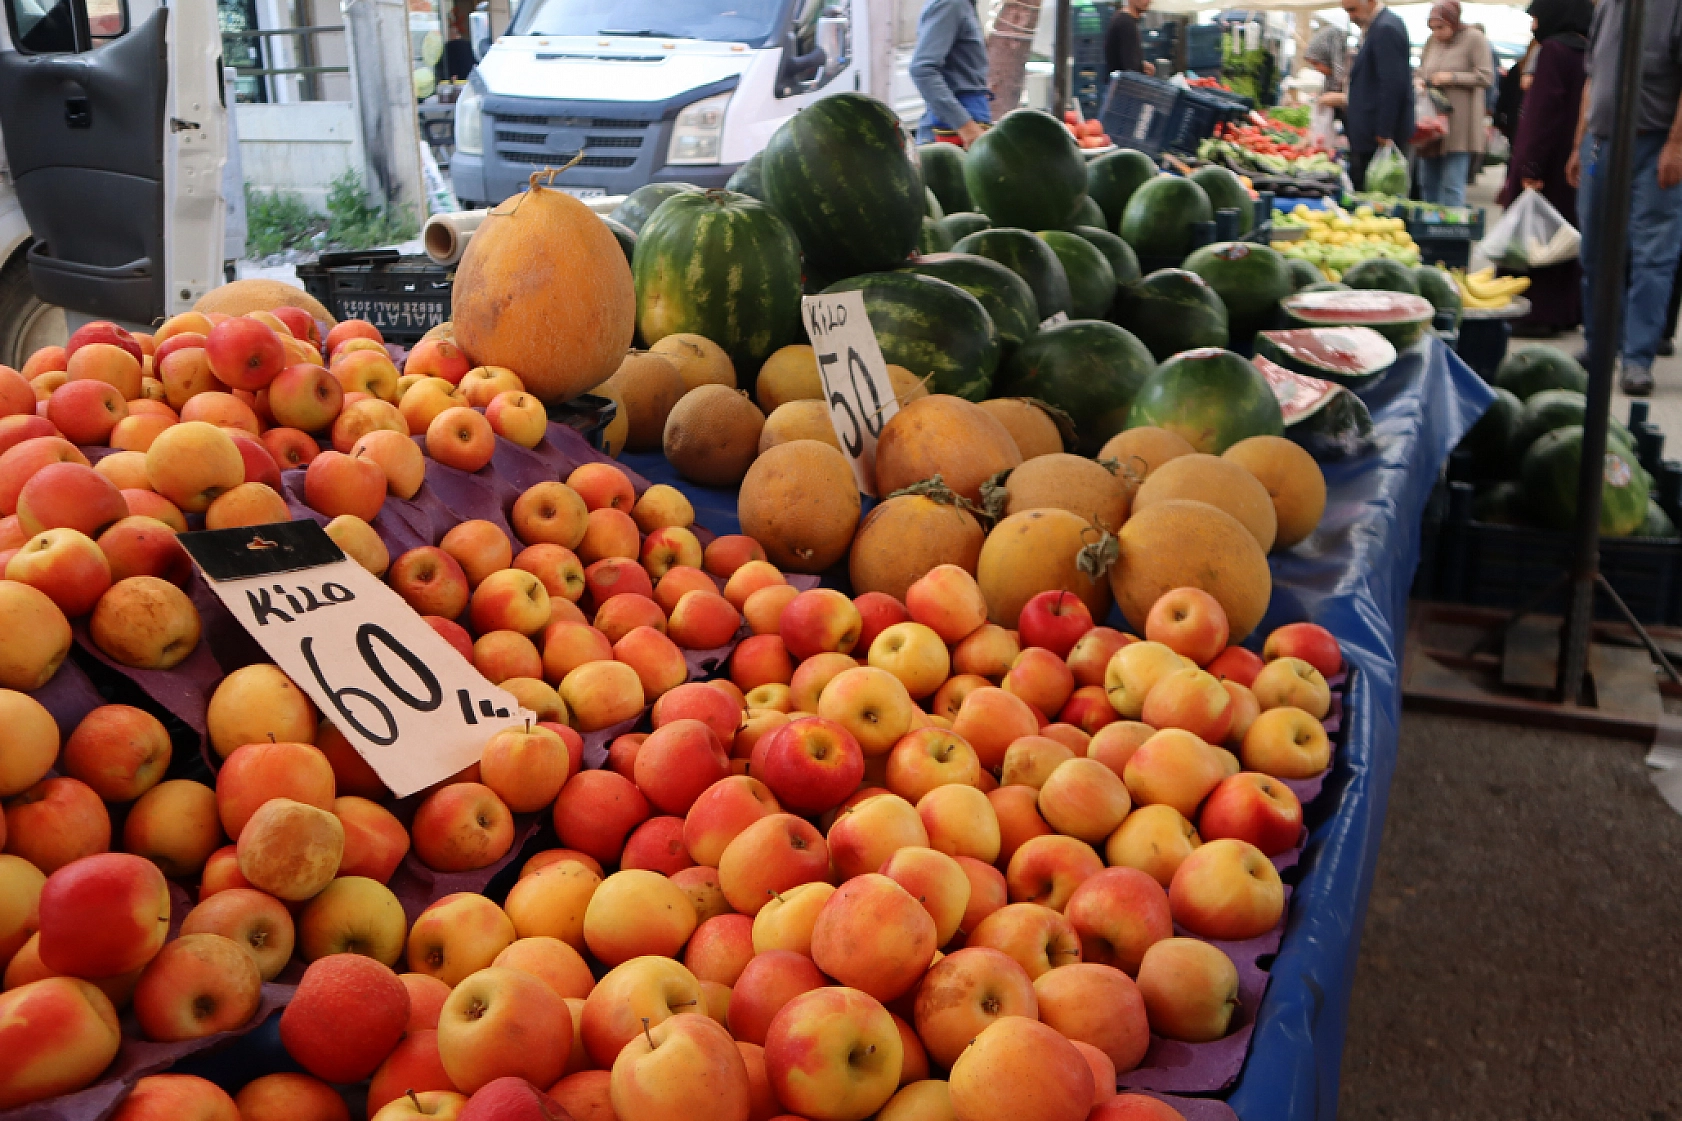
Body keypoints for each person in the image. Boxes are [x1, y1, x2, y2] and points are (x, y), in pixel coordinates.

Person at [1566, 0, 1682, 395]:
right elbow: (1592, 78)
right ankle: (1600, 344)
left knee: (1652, 255)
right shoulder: (1607, 6)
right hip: (1601, 145)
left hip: (1653, 145)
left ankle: (1637, 359)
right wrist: (1578, 143)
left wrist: (1677, 145)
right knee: (1595, 250)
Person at [1497, 0, 1592, 337]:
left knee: (1533, 239)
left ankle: (1534, 312)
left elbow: (1541, 115)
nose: (1534, 24)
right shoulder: (1588, 50)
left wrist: (1529, 165)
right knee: (1564, 236)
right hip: (1575, 163)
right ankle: (1566, 312)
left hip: (1547, 166)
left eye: (1536, 16)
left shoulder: (1553, 51)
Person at [1416, 1, 1493, 206]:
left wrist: (1452, 77)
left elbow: (1486, 77)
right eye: (1432, 28)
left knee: (1452, 184)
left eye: (1441, 27)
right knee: (1427, 182)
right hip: (1432, 123)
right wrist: (1420, 80)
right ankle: (1429, 231)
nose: (1437, 33)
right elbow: (1422, 69)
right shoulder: (1431, 41)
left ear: (1454, 21)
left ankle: (1450, 234)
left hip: (1460, 124)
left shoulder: (1475, 39)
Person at [1341, 0, 1415, 191]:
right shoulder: (1379, 26)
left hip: (1376, 135)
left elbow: (1391, 84)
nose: (1351, 16)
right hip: (1372, 132)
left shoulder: (1385, 28)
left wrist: (1384, 131)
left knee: (1376, 195)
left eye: (1353, 9)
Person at [910, 0, 991, 145]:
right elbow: (922, 69)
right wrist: (966, 128)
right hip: (952, 132)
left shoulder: (962, 5)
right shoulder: (951, 4)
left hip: (962, 123)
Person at [1105, 0, 1156, 80]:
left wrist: (1142, 66)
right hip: (1124, 89)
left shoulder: (1125, 20)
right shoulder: (1126, 24)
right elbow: (1131, 71)